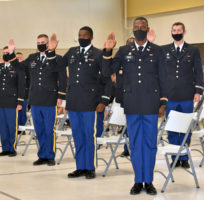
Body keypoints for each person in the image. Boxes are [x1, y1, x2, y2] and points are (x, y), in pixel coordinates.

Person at [103, 17, 167, 195]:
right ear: (133, 30)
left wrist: (163, 102)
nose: (139, 29)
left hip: (151, 104)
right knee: (135, 145)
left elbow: (163, 78)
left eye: (142, 27)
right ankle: (138, 180)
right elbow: (108, 71)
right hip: (131, 104)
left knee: (150, 144)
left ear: (148, 29)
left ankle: (149, 181)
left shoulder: (157, 50)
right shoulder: (124, 50)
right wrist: (108, 50)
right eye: (136, 27)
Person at [55, 26, 112, 178]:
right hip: (73, 102)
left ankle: (90, 167)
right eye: (80, 35)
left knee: (89, 136)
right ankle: (80, 166)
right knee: (77, 135)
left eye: (85, 35)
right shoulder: (72, 52)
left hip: (90, 102)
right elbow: (58, 65)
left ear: (91, 37)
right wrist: (51, 52)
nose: (82, 37)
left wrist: (104, 101)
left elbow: (107, 79)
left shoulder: (98, 54)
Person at [162, 22, 203, 168]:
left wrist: (198, 91)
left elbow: (198, 71)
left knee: (186, 127)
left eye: (179, 30)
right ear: (171, 32)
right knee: (172, 127)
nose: (176, 32)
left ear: (184, 32)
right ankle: (175, 157)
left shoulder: (193, 50)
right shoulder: (164, 50)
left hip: (187, 95)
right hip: (170, 95)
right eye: (174, 30)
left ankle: (184, 157)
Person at [22, 34, 67, 166]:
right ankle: (42, 155)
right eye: (38, 42)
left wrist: (61, 97)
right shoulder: (32, 58)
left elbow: (63, 79)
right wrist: (10, 55)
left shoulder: (57, 59)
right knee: (39, 129)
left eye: (43, 42)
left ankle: (50, 155)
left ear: (48, 44)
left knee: (49, 129)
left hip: (50, 98)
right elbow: (19, 67)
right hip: (35, 98)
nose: (40, 44)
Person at [16, 52, 29, 127]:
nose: (18, 59)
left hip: (24, 93)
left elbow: (29, 80)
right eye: (17, 58)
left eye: (20, 57)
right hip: (15, 93)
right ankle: (16, 127)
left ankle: (22, 128)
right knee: (16, 112)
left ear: (23, 58)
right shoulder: (14, 67)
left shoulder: (26, 68)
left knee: (22, 111)